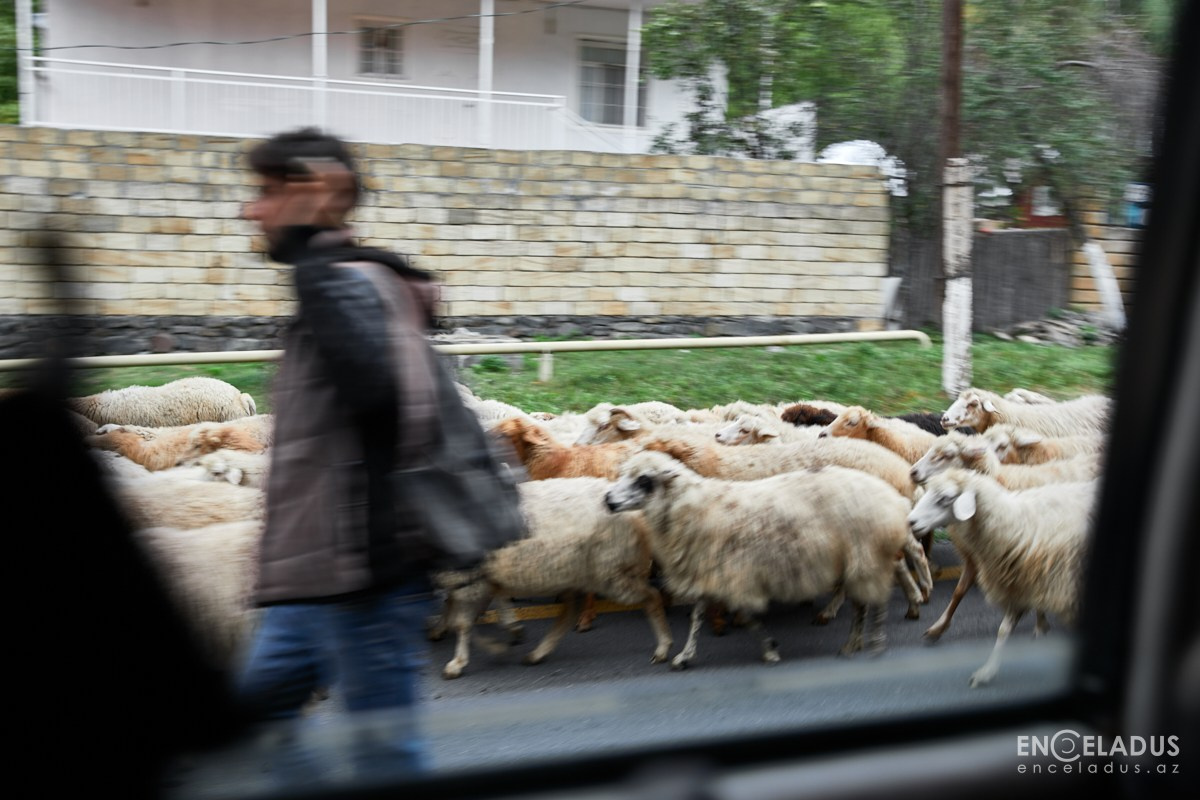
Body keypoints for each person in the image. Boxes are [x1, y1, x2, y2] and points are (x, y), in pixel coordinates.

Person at [235, 127, 444, 784]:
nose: (251, 209)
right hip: (309, 582)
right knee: (255, 728)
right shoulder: (329, 286)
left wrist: (308, 257)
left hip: (364, 579)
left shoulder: (357, 285)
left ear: (319, 195)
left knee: (386, 765)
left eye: (268, 192)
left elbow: (380, 394)